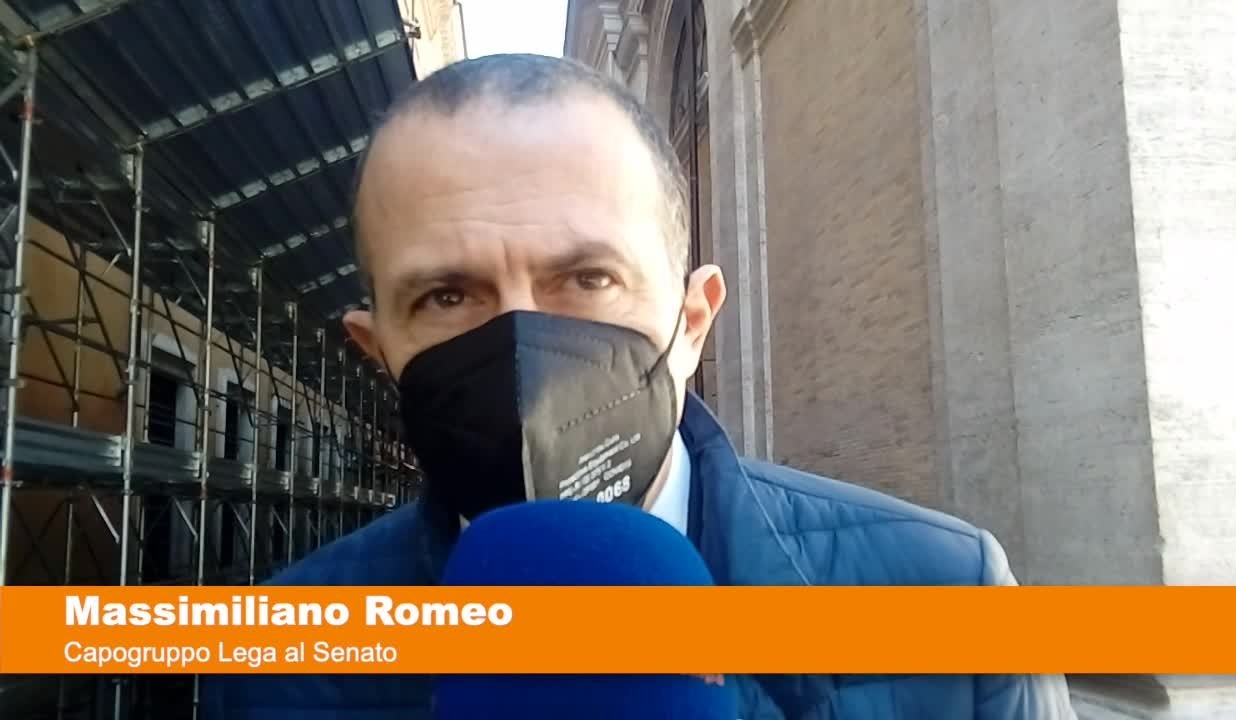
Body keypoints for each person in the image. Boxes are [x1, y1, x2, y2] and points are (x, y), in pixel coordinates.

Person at [201, 54, 1077, 719]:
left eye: (588, 279)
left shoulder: (949, 594)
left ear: (692, 321)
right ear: (377, 348)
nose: (523, 352)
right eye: (447, 296)